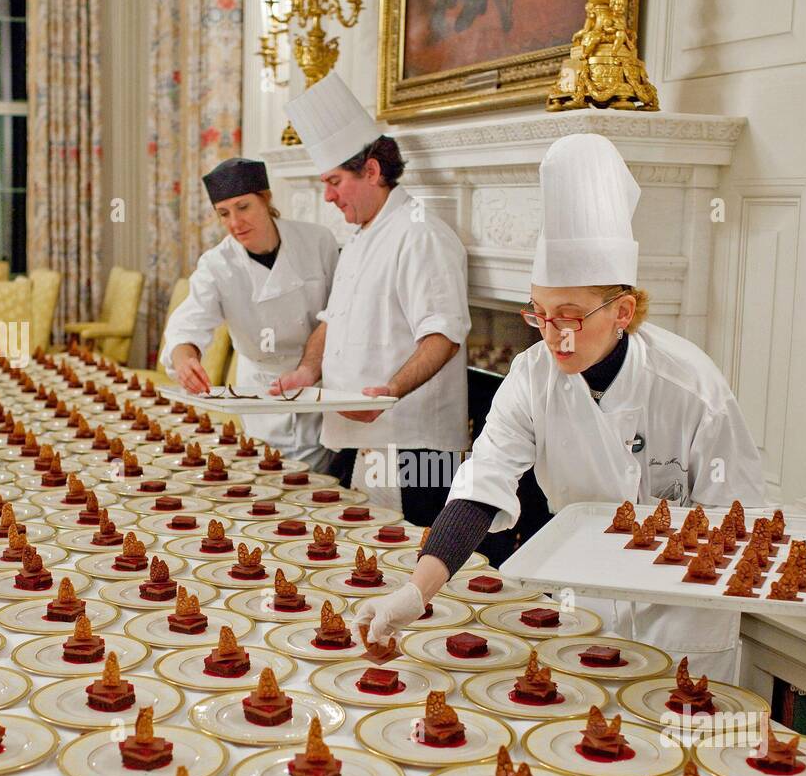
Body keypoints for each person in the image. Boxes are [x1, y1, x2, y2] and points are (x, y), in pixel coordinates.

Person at [354, 134, 766, 682]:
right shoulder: (531, 377)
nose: (553, 336)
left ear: (622, 311)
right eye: (539, 314)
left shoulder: (693, 388)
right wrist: (414, 593)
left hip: (681, 622)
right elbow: (481, 489)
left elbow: (742, 523)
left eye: (569, 316)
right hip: (581, 610)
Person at [272, 72, 471, 527]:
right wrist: (307, 370)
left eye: (334, 181)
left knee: (413, 568)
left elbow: (445, 335)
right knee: (365, 561)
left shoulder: (421, 234)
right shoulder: (361, 237)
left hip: (415, 447)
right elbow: (330, 322)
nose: (327, 196)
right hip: (361, 438)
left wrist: (391, 392)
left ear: (372, 171)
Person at [160, 158, 339, 469]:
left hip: (319, 381)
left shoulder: (318, 241)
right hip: (260, 390)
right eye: (224, 214)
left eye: (243, 207)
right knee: (268, 480)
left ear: (266, 199)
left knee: (323, 485)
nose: (235, 223)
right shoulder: (217, 264)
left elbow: (341, 309)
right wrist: (185, 360)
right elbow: (185, 327)